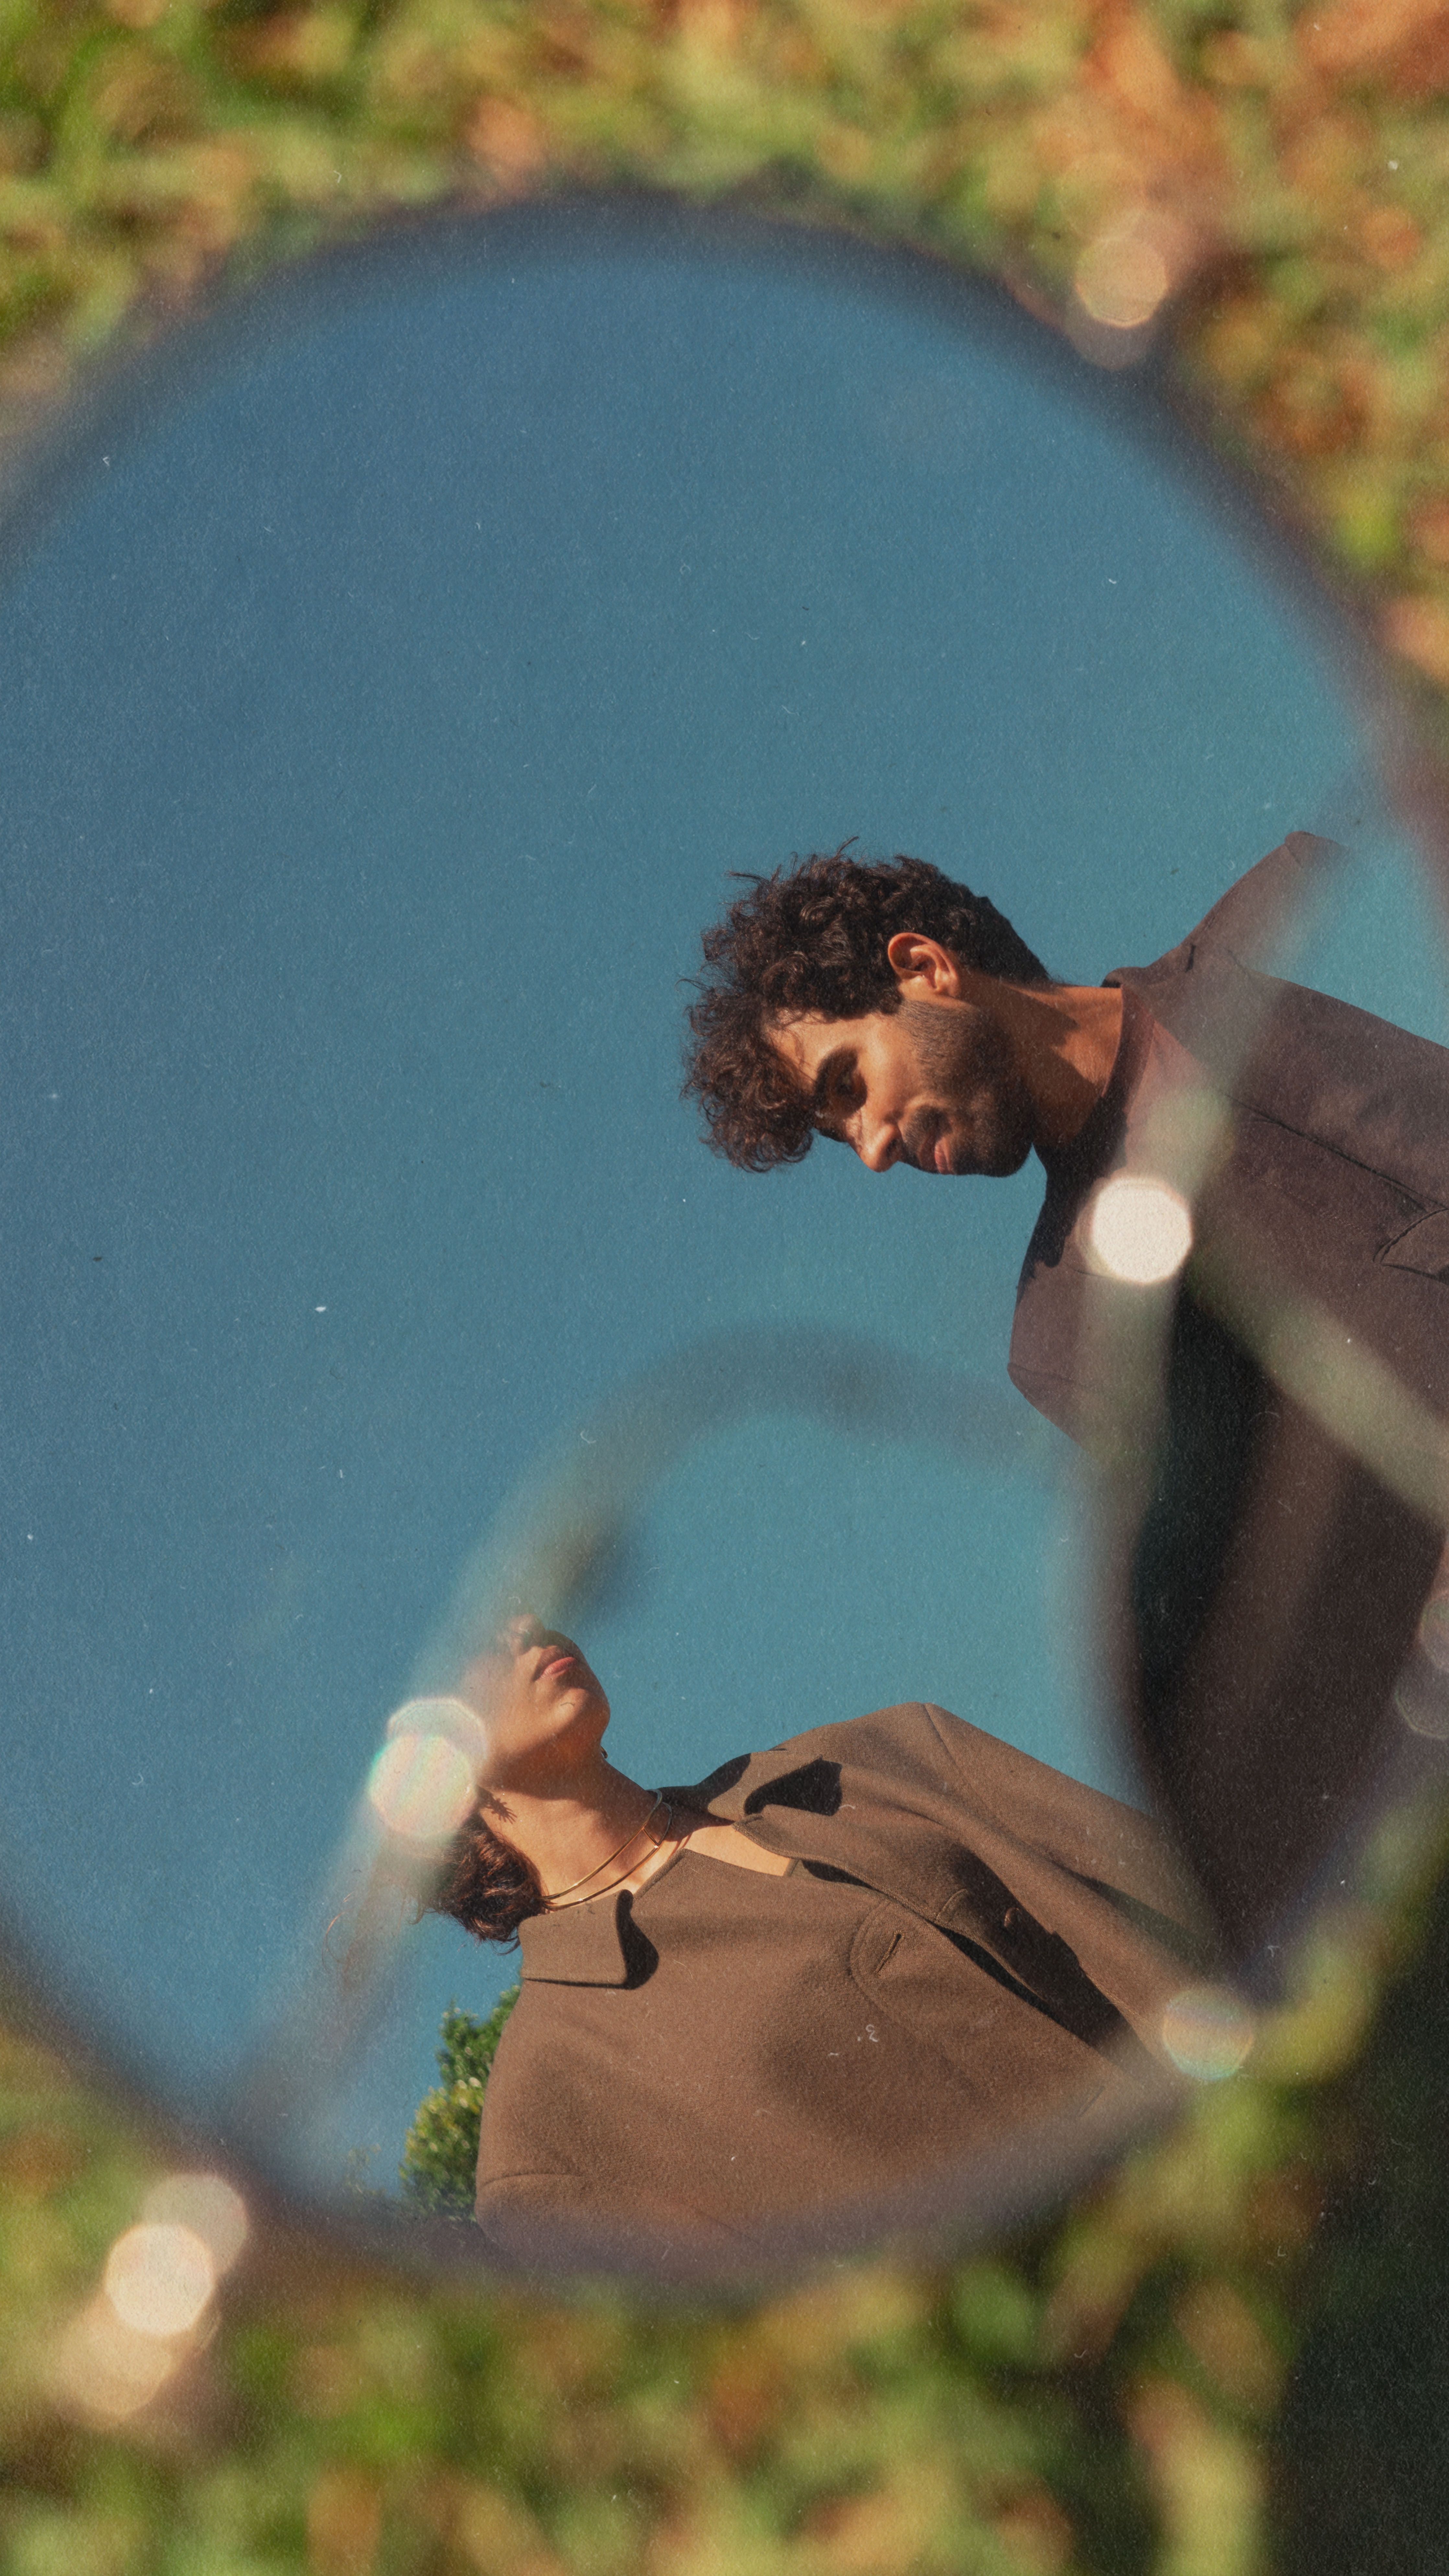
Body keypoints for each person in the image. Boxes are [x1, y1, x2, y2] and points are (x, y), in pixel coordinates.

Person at [682, 839, 1449, 1950]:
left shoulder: (1294, 915)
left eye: (849, 1085)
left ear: (925, 967)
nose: (874, 1151)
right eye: (842, 1136)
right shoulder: (1060, 1338)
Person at [424, 1614, 1207, 2264]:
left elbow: (1192, 1898)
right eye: (473, 1644)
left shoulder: (882, 1753)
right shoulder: (546, 2126)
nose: (524, 1624)